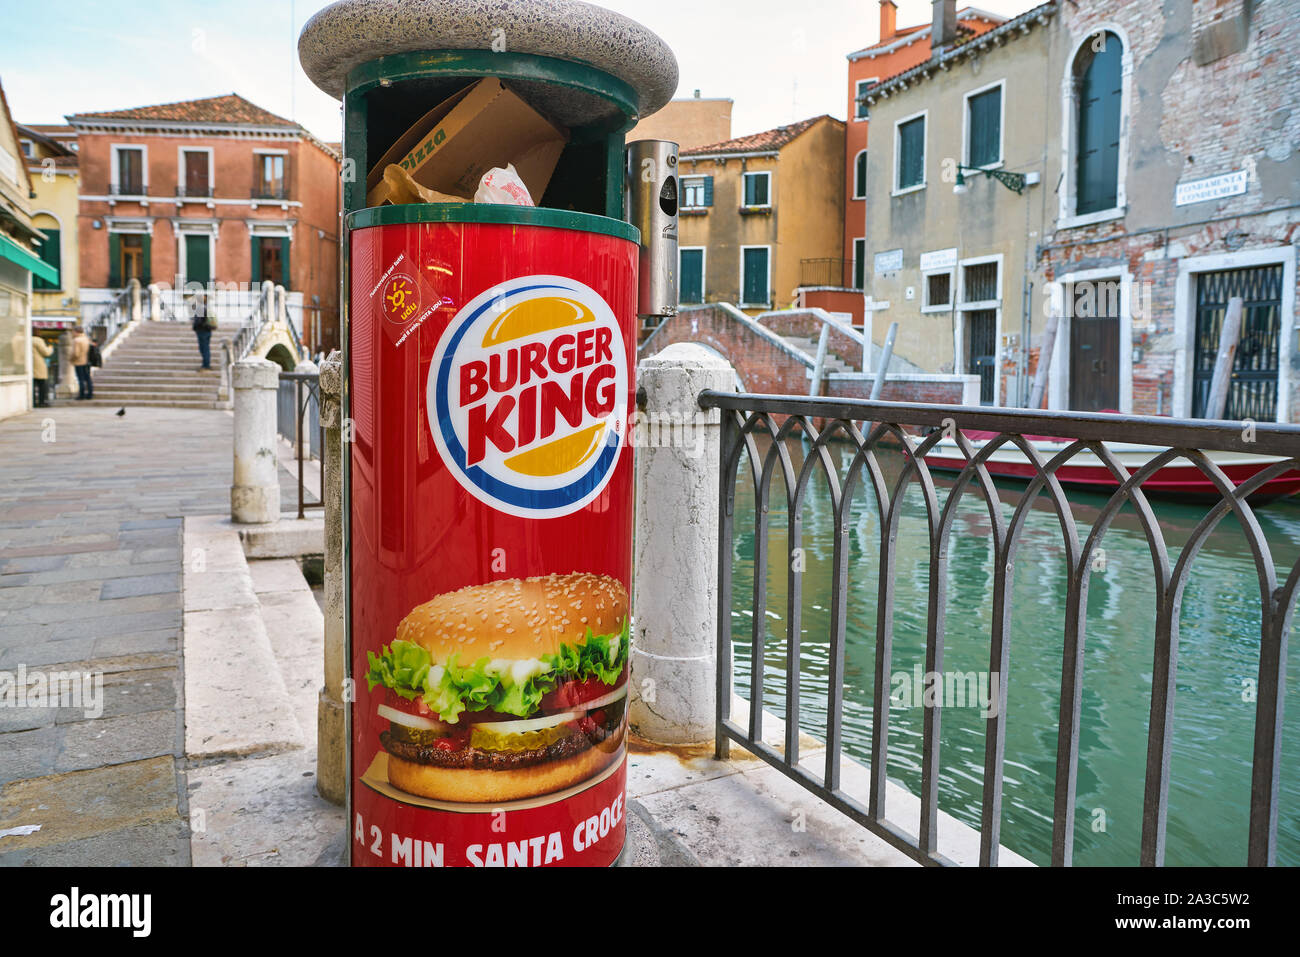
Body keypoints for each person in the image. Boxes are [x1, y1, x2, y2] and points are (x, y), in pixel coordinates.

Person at [192, 290, 213, 370]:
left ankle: (206, 364)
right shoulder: (206, 307)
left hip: (203, 331)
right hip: (206, 330)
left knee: (204, 348)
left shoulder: (201, 308)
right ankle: (206, 363)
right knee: (205, 347)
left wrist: (195, 326)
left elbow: (199, 320)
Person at [71, 326, 93, 400]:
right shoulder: (86, 339)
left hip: (79, 362)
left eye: (73, 331)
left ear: (76, 332)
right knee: (87, 378)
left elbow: (76, 353)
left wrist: (71, 359)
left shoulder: (76, 340)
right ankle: (90, 394)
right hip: (87, 361)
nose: (72, 333)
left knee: (80, 379)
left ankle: (81, 394)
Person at [31, 334, 53, 407]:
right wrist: (50, 348)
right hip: (38, 365)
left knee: (32, 385)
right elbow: (46, 352)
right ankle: (41, 402)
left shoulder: (20, 338)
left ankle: (33, 402)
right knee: (42, 385)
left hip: (27, 364)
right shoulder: (37, 340)